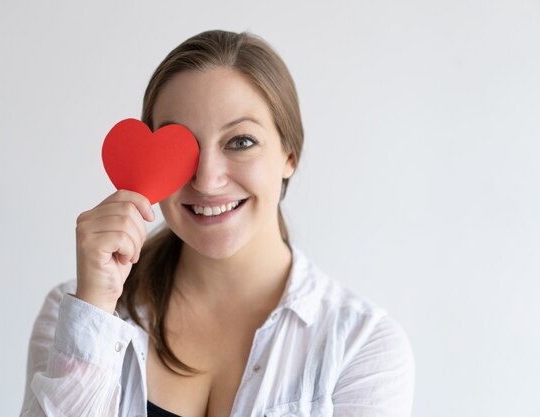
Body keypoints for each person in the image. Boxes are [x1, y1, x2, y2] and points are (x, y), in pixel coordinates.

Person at [20, 30, 414, 417]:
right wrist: (94, 312)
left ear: (289, 154)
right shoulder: (74, 312)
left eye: (240, 141)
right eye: (182, 146)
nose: (207, 180)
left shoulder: (363, 346)